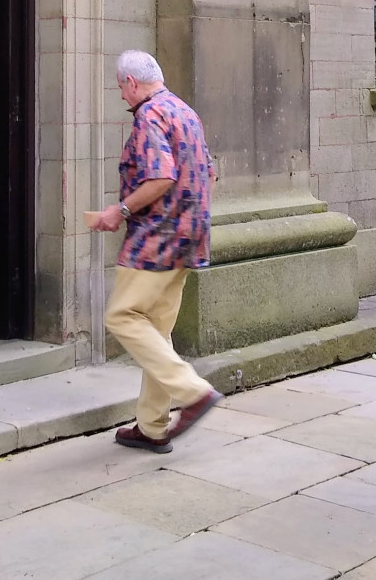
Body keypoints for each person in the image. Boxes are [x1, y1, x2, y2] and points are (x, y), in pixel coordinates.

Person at [89, 49, 222, 452]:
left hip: (155, 239)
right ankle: (152, 426)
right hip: (189, 235)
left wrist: (120, 210)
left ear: (131, 83)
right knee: (158, 331)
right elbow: (210, 172)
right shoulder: (184, 111)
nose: (122, 97)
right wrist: (190, 217)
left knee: (122, 316)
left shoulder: (149, 116)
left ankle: (193, 392)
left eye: (121, 89)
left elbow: (161, 176)